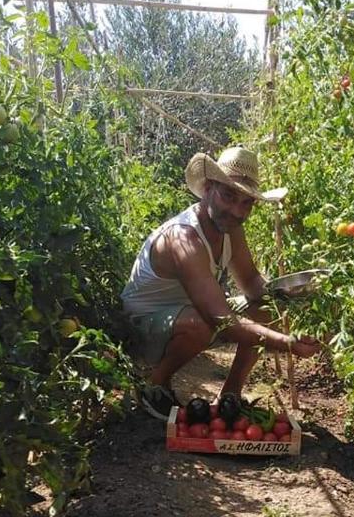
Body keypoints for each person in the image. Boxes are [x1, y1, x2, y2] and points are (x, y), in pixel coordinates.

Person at [121, 145, 321, 419]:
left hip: (188, 313)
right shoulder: (184, 239)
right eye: (229, 196)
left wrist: (287, 295)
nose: (237, 212)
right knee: (203, 324)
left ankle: (230, 395)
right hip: (143, 324)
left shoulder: (229, 229)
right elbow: (219, 318)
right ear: (208, 189)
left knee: (265, 307)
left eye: (246, 203)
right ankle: (155, 385)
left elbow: (251, 281)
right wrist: (286, 342)